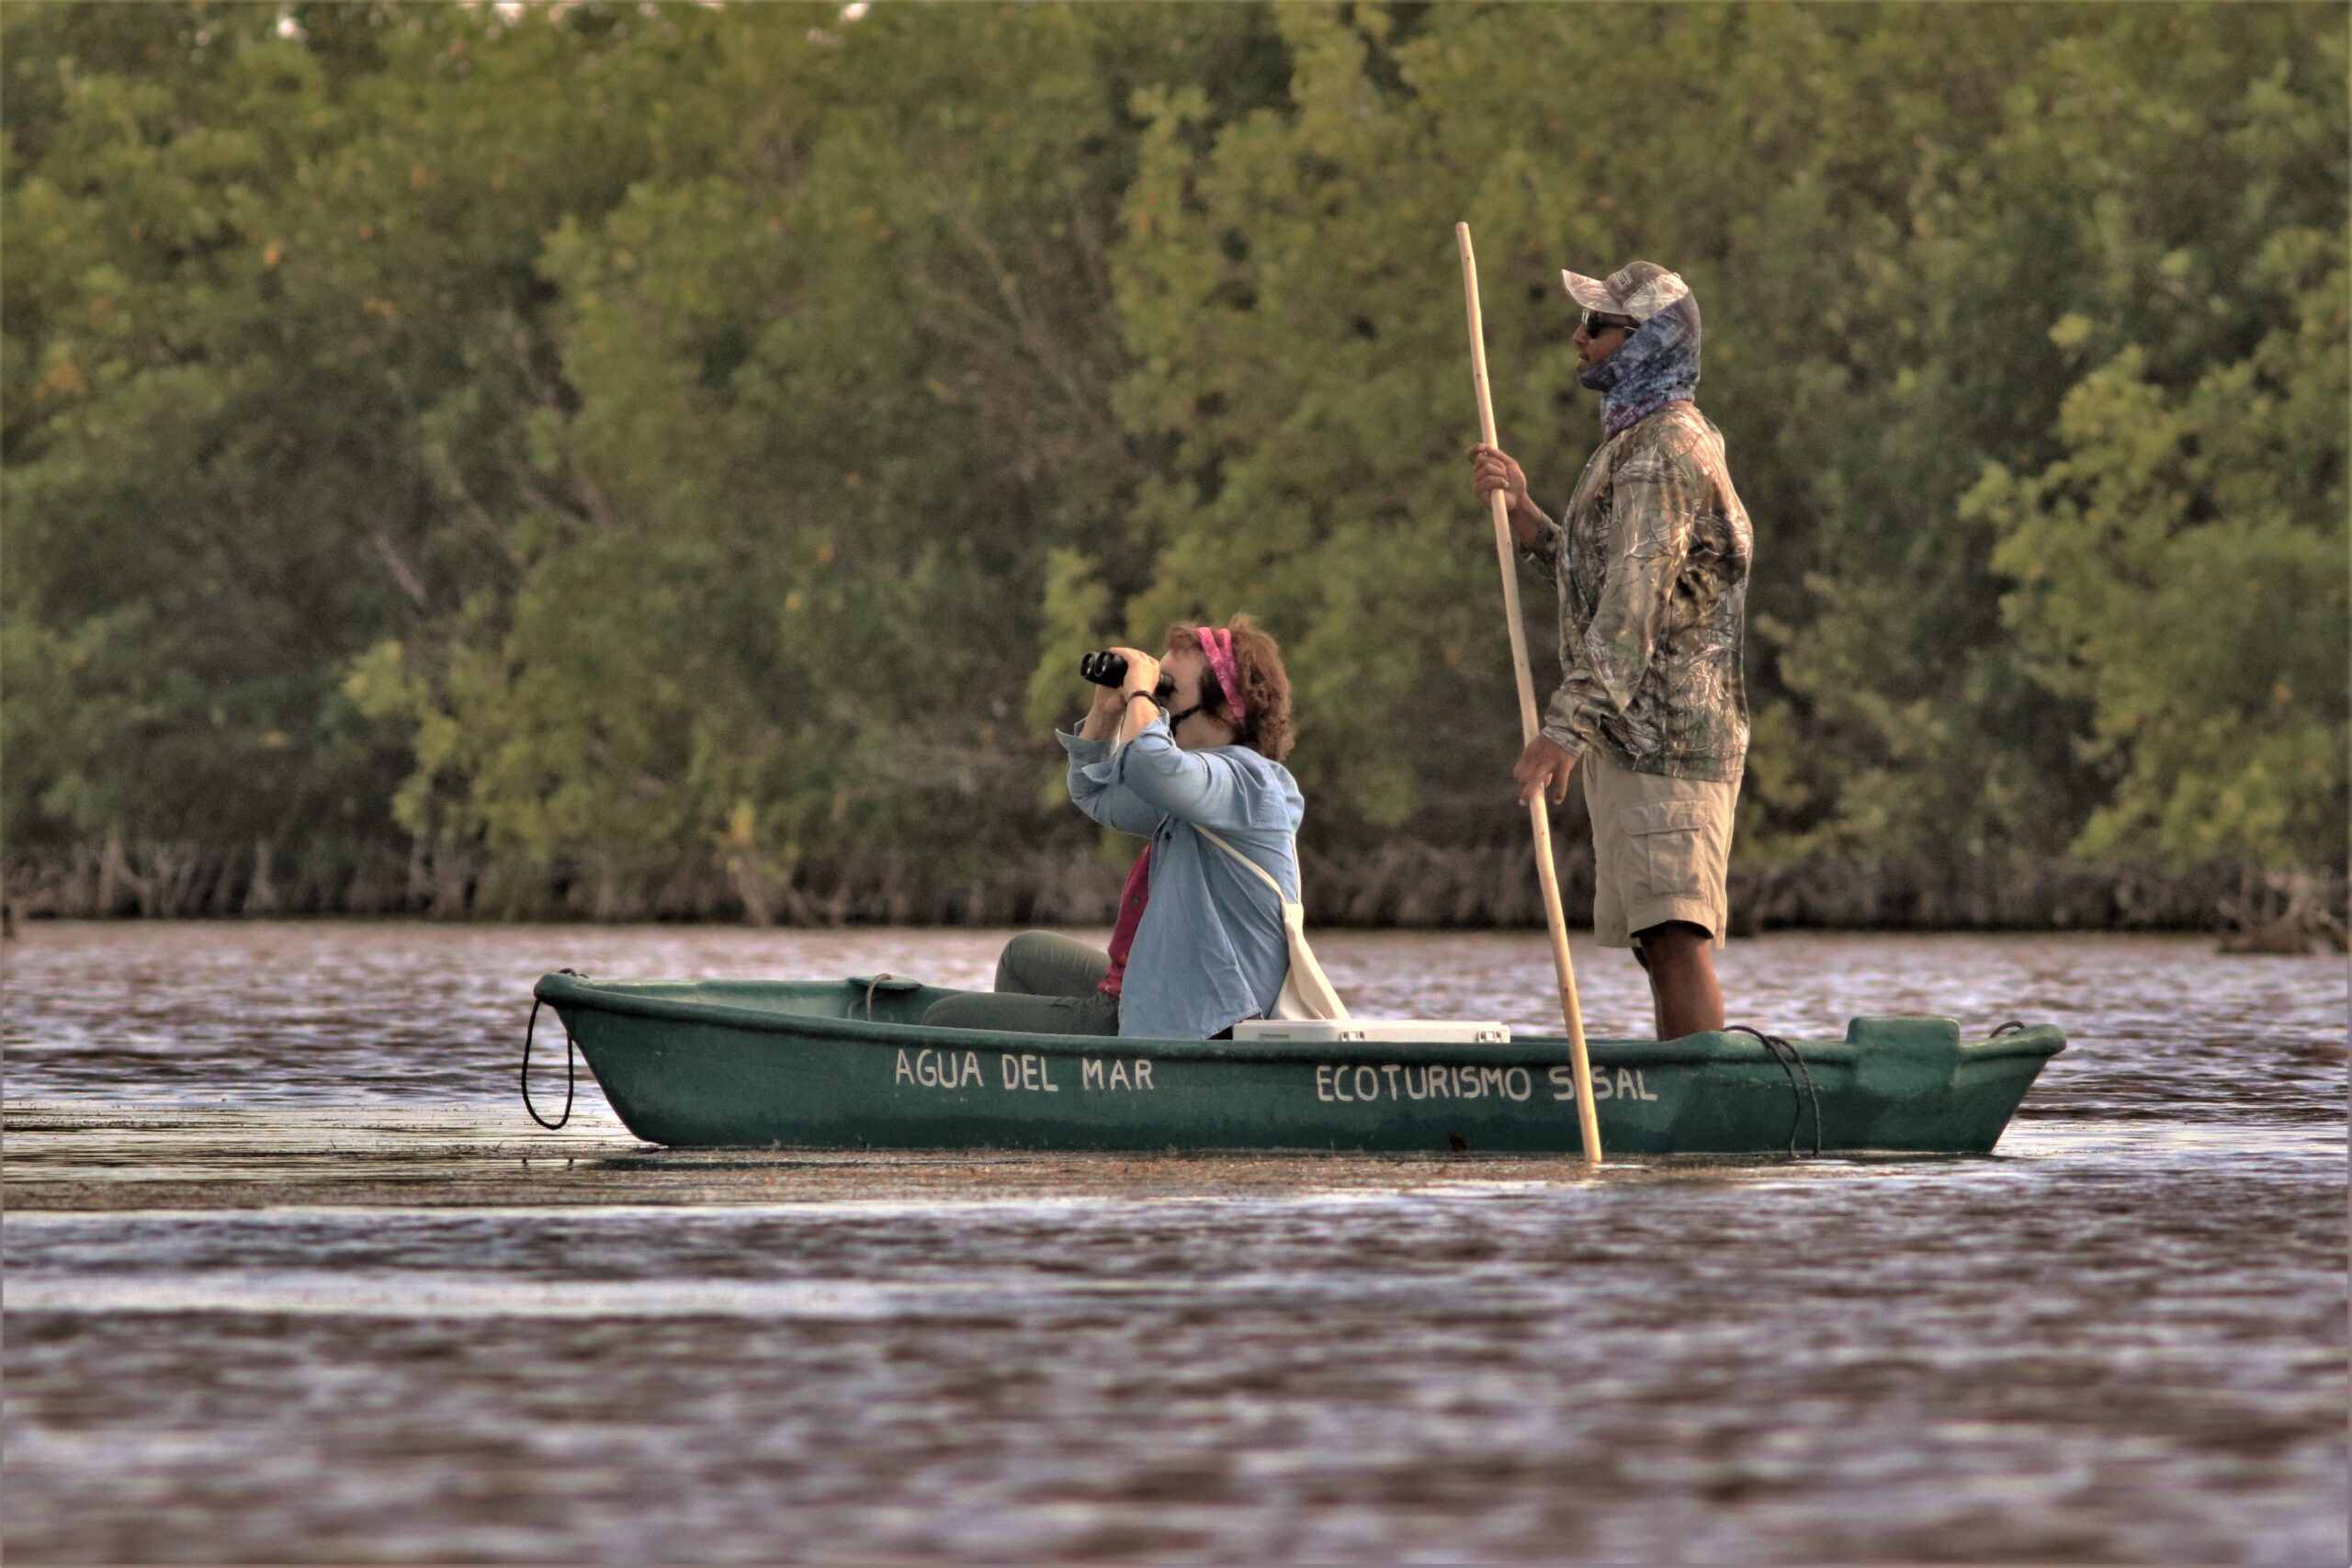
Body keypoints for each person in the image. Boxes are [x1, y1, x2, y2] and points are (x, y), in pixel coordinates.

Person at [1468, 259, 1753, 1041]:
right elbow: (1611, 578)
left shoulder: (1663, 449)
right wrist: (1528, 521)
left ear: (1649, 339)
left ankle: (1704, 1118)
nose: (1579, 337)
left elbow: (1632, 615)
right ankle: (1685, 1124)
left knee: (1674, 934)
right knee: (1656, 943)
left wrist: (1565, 730)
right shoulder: (1637, 441)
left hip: (1666, 743)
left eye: (1598, 325)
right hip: (1636, 740)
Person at [922, 615, 1303, 1041]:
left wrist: (1140, 690)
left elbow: (1151, 766)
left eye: (1168, 689)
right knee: (1023, 957)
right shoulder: (1190, 792)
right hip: (1161, 994)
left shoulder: (1253, 786)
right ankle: (1049, 1085)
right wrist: (1104, 713)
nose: (1160, 703)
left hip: (1198, 1022)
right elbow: (1097, 795)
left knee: (943, 1022)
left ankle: (1069, 1076)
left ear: (1224, 709)